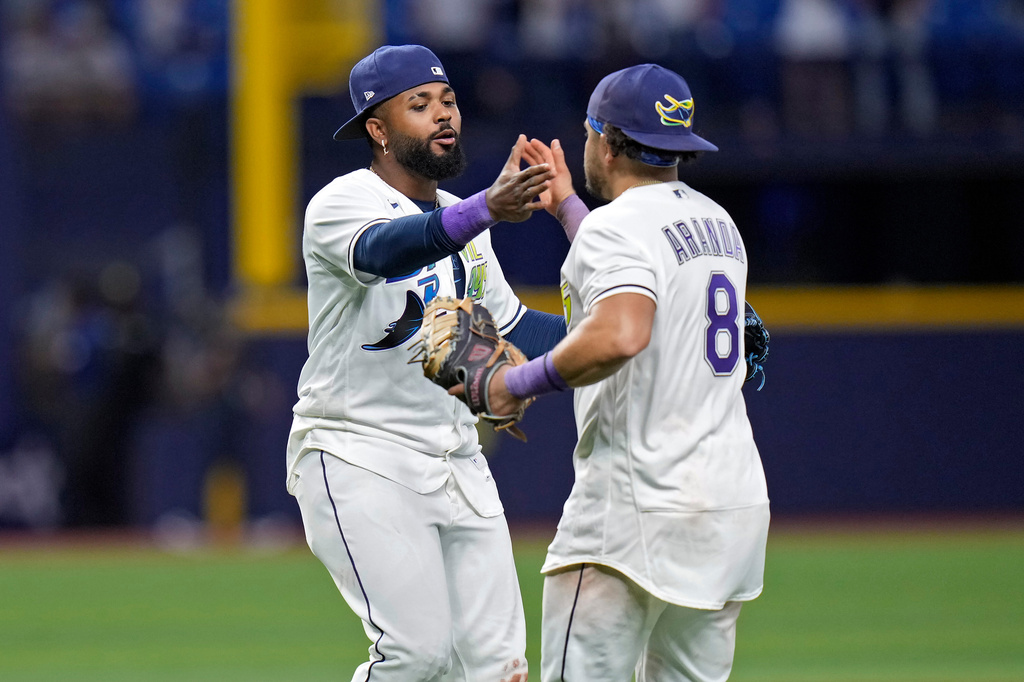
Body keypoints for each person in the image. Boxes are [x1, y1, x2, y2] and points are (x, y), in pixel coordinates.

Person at [286, 44, 566, 681]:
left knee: (500, 669)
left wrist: (641, 332)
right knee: (416, 657)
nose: (443, 116)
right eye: (419, 105)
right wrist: (484, 209)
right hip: (359, 452)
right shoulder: (339, 203)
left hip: (456, 458)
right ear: (378, 130)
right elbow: (386, 252)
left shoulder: (466, 219)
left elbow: (518, 327)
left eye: (449, 101)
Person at [488, 64, 772, 681]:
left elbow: (622, 331)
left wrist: (516, 382)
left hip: (634, 511)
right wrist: (567, 206)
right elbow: (635, 262)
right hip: (729, 509)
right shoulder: (720, 225)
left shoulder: (617, 229)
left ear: (607, 142)